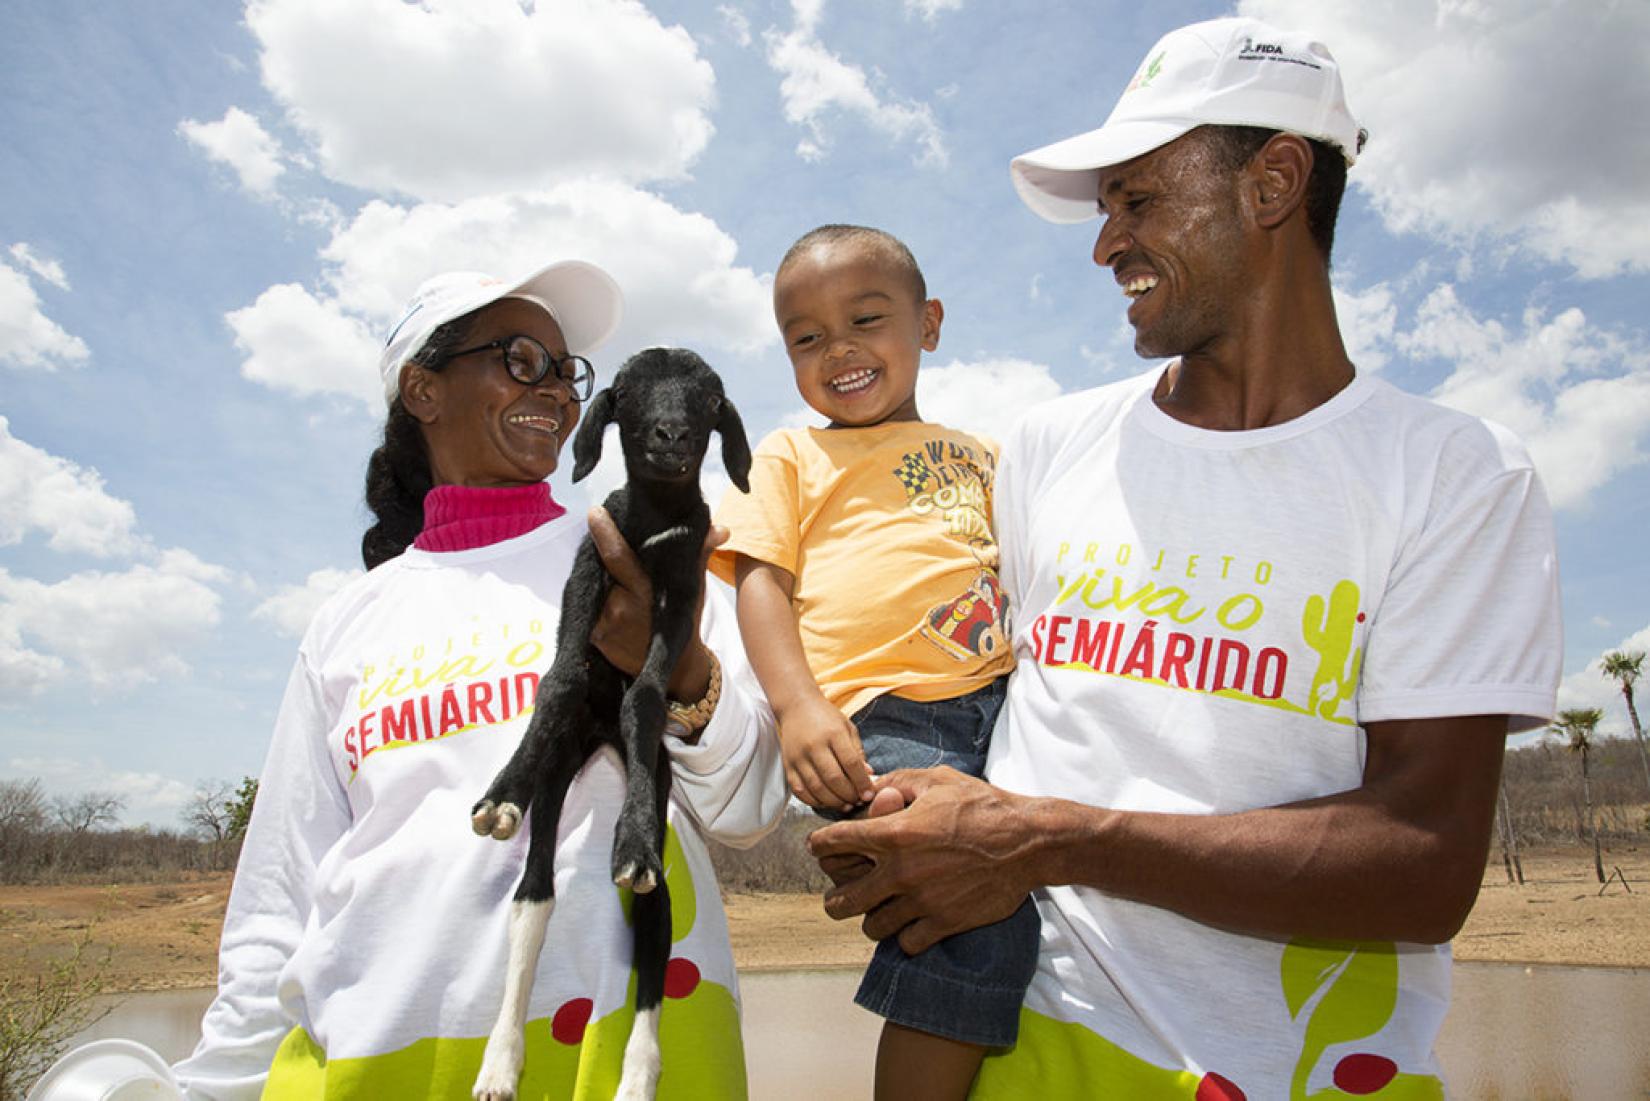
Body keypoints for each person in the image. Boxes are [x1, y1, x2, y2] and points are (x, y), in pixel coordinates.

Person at [808, 17, 1561, 1098]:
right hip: (1024, 1060)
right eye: (1108, 207)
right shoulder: (1047, 449)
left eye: (1140, 200)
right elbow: (938, 691)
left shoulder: (1455, 475)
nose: (1107, 242)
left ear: (1274, 184)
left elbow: (1424, 865)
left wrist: (1045, 841)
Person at [167, 260, 787, 1099]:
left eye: (567, 371)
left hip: (614, 1058)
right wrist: (216, 1086)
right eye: (520, 358)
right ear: (422, 389)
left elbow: (749, 808)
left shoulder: (642, 553)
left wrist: (681, 667)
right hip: (378, 1063)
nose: (557, 391)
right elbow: (279, 902)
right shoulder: (347, 624)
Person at [708, 225, 1038, 1099]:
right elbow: (759, 583)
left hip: (1007, 715)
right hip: (885, 723)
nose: (839, 350)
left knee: (1048, 902)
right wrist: (799, 707)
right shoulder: (787, 455)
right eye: (807, 338)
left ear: (928, 323)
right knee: (971, 922)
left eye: (865, 318)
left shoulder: (988, 457)